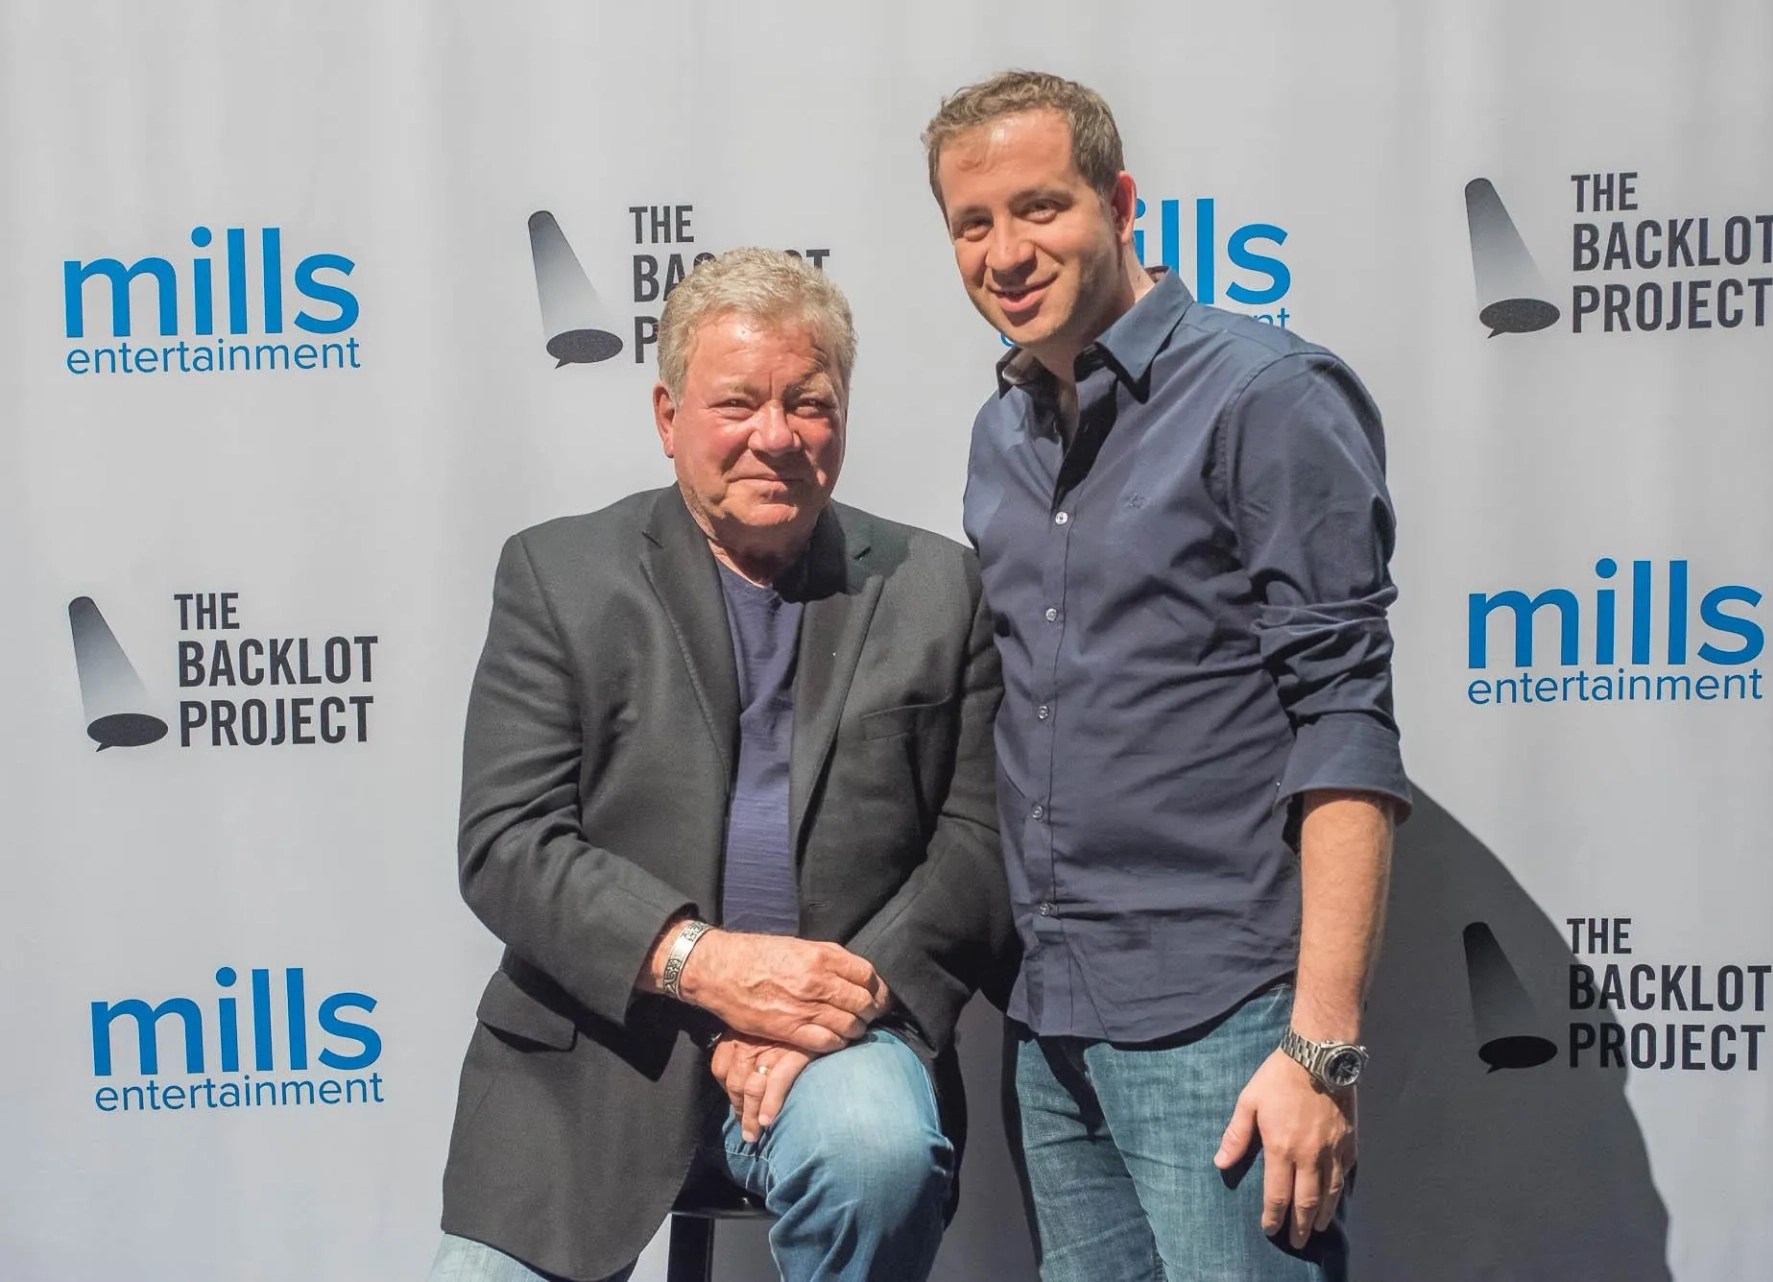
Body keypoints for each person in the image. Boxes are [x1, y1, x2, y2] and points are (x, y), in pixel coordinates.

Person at [428, 247, 1015, 1282]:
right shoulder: (558, 576)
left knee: (876, 1151)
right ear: (667, 416)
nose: (775, 436)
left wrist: (828, 1004)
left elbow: (976, 846)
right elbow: (507, 842)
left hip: (840, 1041)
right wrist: (710, 966)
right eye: (737, 402)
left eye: (810, 401)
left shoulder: (940, 588)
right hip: (598, 1042)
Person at [923, 72, 1411, 1282]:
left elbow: (1344, 718)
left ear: (1122, 200)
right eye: (972, 224)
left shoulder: (1266, 394)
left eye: (1040, 207)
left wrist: (1322, 1049)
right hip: (1048, 1022)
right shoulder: (1001, 434)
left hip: (1225, 1019)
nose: (1006, 251)